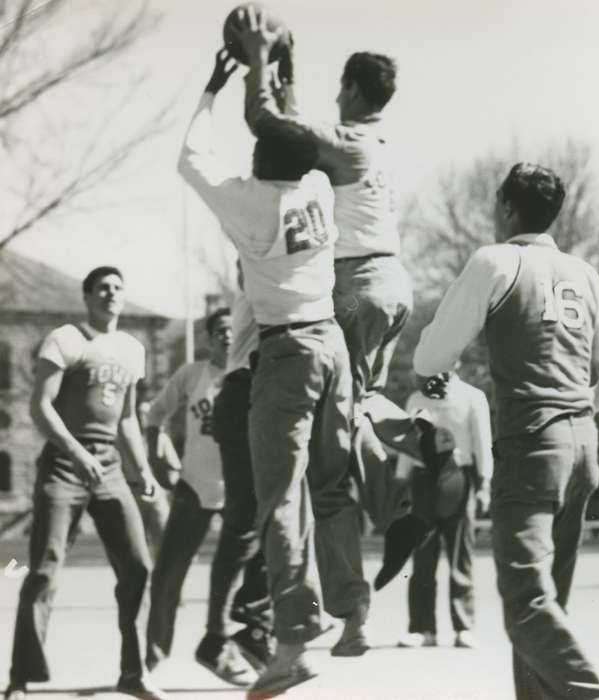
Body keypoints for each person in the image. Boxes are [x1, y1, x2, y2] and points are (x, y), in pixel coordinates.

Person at [178, 46, 368, 696]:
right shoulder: (318, 186)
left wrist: (214, 88)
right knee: (322, 490)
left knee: (277, 504)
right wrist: (282, 77)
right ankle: (341, 610)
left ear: (260, 161)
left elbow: (190, 160)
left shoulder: (248, 203)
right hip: (332, 345)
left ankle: (291, 645)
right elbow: (288, 131)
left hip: (287, 354)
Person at [413, 163, 599, 700]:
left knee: (525, 603)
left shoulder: (496, 260)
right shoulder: (584, 273)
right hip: (583, 444)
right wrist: (578, 403)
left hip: (531, 443)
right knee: (548, 602)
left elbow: (431, 357)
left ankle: (592, 694)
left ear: (508, 208)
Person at [238, 15, 435, 520]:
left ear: (349, 88)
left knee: (340, 408)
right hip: (392, 283)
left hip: (357, 288)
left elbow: (271, 126)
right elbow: (302, 131)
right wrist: (290, 67)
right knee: (362, 397)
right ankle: (420, 445)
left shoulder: (347, 142)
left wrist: (260, 58)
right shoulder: (378, 145)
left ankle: (399, 495)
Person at [4, 266, 166, 700]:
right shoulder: (66, 339)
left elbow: (128, 418)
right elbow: (40, 407)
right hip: (63, 465)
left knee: (138, 564)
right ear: (87, 297)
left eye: (118, 288)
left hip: (110, 468)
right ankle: (20, 677)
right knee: (44, 569)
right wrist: (77, 453)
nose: (111, 295)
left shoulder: (132, 349)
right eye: (102, 289)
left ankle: (134, 673)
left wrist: (144, 471)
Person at [144, 309, 253, 680]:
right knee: (168, 572)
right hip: (194, 484)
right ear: (208, 338)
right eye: (220, 330)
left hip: (238, 489)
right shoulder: (192, 374)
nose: (227, 336)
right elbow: (154, 415)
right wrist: (159, 456)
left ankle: (223, 647)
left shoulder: (251, 375)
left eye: (233, 330)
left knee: (238, 574)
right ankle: (153, 655)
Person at [195, 283, 276, 683]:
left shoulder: (281, 286)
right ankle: (217, 636)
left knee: (276, 518)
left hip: (262, 402)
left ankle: (256, 625)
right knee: (245, 525)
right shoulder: (263, 291)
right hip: (245, 399)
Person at [395, 365, 493, 650]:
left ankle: (464, 627)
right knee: (422, 558)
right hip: (423, 480)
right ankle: (422, 629)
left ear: (456, 362)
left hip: (458, 478)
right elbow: (407, 444)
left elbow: (482, 444)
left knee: (460, 555)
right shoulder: (416, 400)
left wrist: (484, 484)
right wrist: (400, 483)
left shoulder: (472, 397)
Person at [118, 395, 170, 559]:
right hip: (131, 491)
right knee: (137, 544)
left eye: (146, 414)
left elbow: (174, 467)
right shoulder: (121, 439)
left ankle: (161, 580)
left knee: (163, 542)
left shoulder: (161, 439)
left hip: (158, 494)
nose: (143, 417)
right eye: (139, 413)